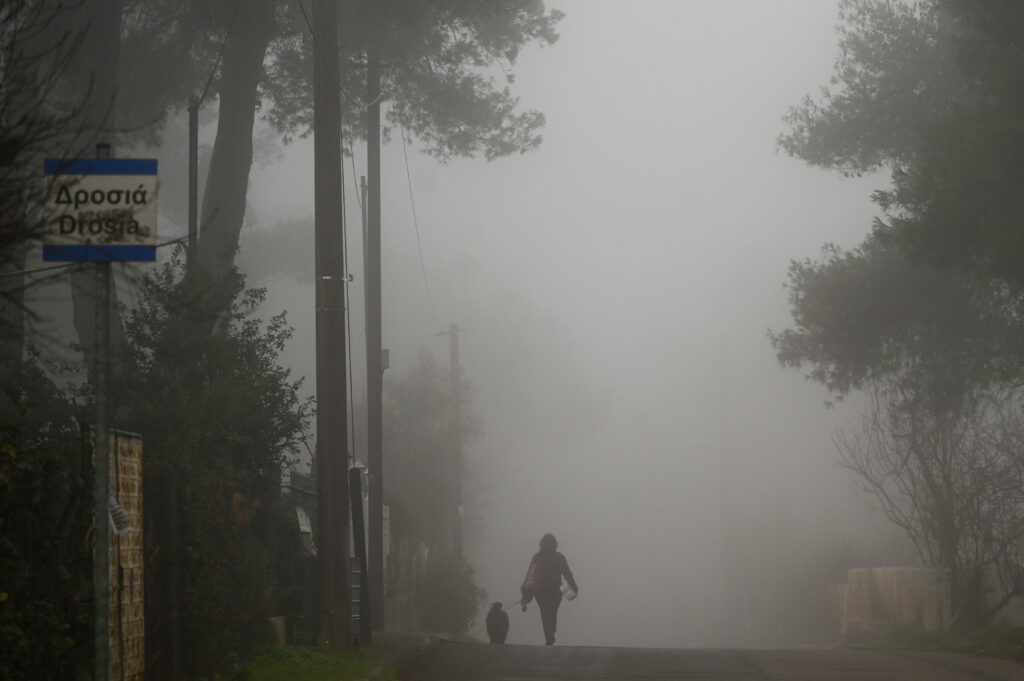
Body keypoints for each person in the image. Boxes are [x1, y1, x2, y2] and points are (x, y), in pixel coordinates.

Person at [520, 533, 578, 646]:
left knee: (545, 612)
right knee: (552, 612)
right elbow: (567, 575)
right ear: (555, 544)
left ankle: (549, 635)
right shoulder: (560, 557)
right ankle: (551, 633)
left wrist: (526, 594)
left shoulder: (537, 557)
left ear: (542, 544)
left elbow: (530, 576)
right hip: (556, 591)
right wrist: (574, 589)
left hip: (540, 591)